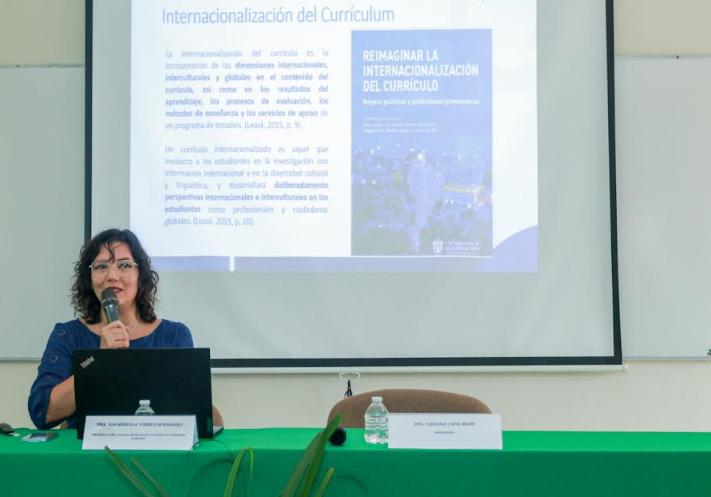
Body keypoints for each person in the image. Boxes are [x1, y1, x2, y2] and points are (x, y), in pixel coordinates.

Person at [28, 228, 223, 429]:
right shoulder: (68, 335)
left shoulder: (174, 335)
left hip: (157, 445)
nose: (112, 276)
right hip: (88, 448)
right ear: (90, 278)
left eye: (124, 265)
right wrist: (98, 360)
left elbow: (191, 408)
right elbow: (42, 413)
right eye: (101, 266)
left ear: (140, 276)